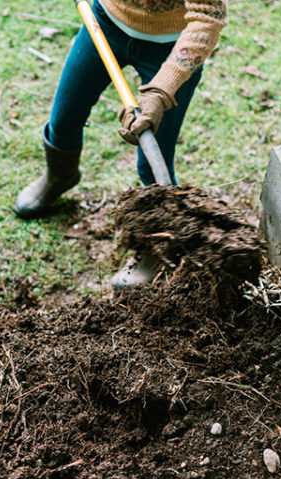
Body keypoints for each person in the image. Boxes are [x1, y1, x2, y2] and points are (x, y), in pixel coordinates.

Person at [14, 0, 227, 288]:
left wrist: (163, 90)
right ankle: (60, 176)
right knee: (64, 119)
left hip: (171, 47)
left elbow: (208, 18)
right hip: (106, 22)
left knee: (154, 162)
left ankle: (157, 242)